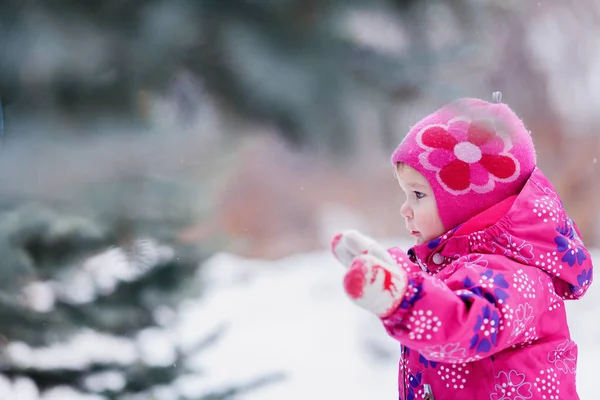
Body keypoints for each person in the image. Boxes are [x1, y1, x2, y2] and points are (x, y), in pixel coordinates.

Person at [331, 94, 594, 400]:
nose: (405, 209)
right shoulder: (461, 269)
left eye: (417, 195)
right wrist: (395, 275)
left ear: (469, 205)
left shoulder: (512, 275)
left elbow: (468, 326)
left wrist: (404, 297)